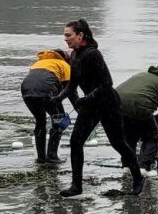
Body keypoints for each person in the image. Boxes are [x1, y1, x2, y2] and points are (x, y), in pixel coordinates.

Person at [59, 19, 142, 198]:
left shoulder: (93, 54)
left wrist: (86, 98)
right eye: (65, 35)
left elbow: (107, 83)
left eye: (68, 35)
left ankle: (137, 178)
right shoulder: (74, 56)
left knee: (118, 143)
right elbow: (72, 85)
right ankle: (76, 186)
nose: (65, 39)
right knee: (75, 142)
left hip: (108, 103)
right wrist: (57, 98)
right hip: (91, 105)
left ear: (80, 35)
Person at [19, 48, 72, 165]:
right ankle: (52, 156)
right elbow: (70, 91)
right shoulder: (64, 64)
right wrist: (80, 108)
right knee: (60, 121)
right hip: (45, 91)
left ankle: (41, 158)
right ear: (65, 58)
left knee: (40, 122)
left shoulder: (38, 63)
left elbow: (55, 91)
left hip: (26, 91)